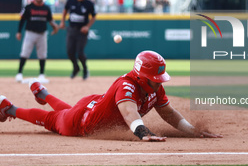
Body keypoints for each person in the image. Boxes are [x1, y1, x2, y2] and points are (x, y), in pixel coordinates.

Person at [0, 51, 222, 141]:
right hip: (79, 123)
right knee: (52, 120)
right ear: (143, 77)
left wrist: (194, 131)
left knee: (63, 111)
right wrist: (143, 133)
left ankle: (43, 93)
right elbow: (129, 113)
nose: (160, 82)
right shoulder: (127, 86)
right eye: (156, 78)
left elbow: (169, 114)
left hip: (92, 104)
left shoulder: (154, 87)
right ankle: (9, 108)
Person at [15, 0, 59, 83]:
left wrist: (55, 27)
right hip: (30, 33)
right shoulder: (29, 7)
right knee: (25, 53)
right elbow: (22, 20)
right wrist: (19, 31)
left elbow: (50, 20)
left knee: (42, 54)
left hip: (42, 34)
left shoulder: (46, 8)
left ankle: (42, 74)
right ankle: (19, 73)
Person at [59, 0, 96, 80]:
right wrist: (62, 21)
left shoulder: (88, 3)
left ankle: (85, 69)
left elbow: (94, 16)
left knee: (80, 53)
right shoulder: (71, 0)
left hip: (82, 31)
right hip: (71, 29)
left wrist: (87, 26)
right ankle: (76, 67)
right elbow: (65, 11)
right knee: (69, 52)